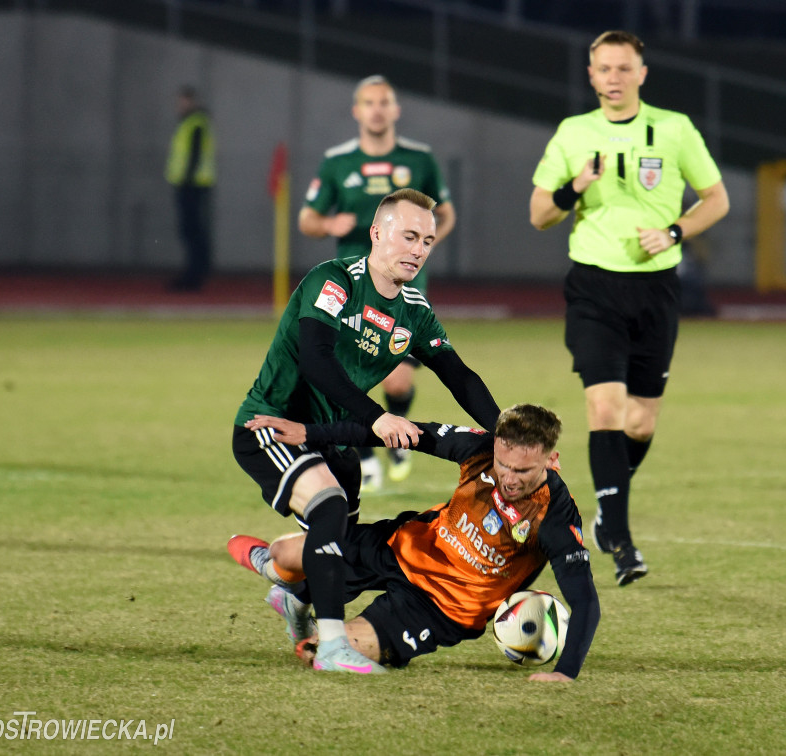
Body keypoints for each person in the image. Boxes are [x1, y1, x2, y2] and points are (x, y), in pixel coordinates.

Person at [232, 188, 499, 674]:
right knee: (330, 508)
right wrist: (377, 417)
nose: (419, 250)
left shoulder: (414, 310)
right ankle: (332, 646)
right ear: (377, 234)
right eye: (410, 236)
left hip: (332, 442)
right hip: (271, 426)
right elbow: (317, 359)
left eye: (429, 241)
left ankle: (292, 591)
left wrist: (506, 435)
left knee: (342, 543)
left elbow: (460, 376)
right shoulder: (334, 281)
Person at [529, 30, 730, 587]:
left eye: (624, 68)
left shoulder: (674, 129)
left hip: (656, 291)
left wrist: (675, 230)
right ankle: (620, 541)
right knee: (606, 411)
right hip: (594, 287)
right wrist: (574, 188)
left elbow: (717, 198)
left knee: (640, 422)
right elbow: (540, 212)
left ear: (642, 73)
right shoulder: (574, 134)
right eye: (604, 69)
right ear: (590, 76)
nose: (613, 78)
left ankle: (606, 510)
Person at [229, 404, 600, 681]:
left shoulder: (554, 516)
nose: (509, 478)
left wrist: (565, 673)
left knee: (319, 652)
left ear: (552, 460)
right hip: (404, 546)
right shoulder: (479, 448)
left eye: (523, 470)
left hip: (440, 608)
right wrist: (310, 433)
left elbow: (584, 601)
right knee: (287, 552)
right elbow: (399, 432)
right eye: (504, 465)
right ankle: (285, 584)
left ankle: (299, 597)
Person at [299, 75, 457, 490]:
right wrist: (331, 222)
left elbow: (446, 213)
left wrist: (422, 245)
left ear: (396, 109)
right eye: (369, 102)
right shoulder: (337, 162)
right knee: (349, 376)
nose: (377, 109)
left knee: (398, 378)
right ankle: (366, 453)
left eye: (384, 102)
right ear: (357, 110)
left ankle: (396, 440)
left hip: (404, 288)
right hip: (352, 289)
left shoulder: (419, 159)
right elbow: (307, 218)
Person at [164, 85, 215, 291]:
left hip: (192, 185)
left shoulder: (195, 123)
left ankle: (194, 276)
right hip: (191, 184)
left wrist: (185, 180)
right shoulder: (192, 122)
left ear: (191, 101)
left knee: (192, 231)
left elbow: (194, 156)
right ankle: (194, 273)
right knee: (191, 231)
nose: (180, 105)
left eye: (183, 101)